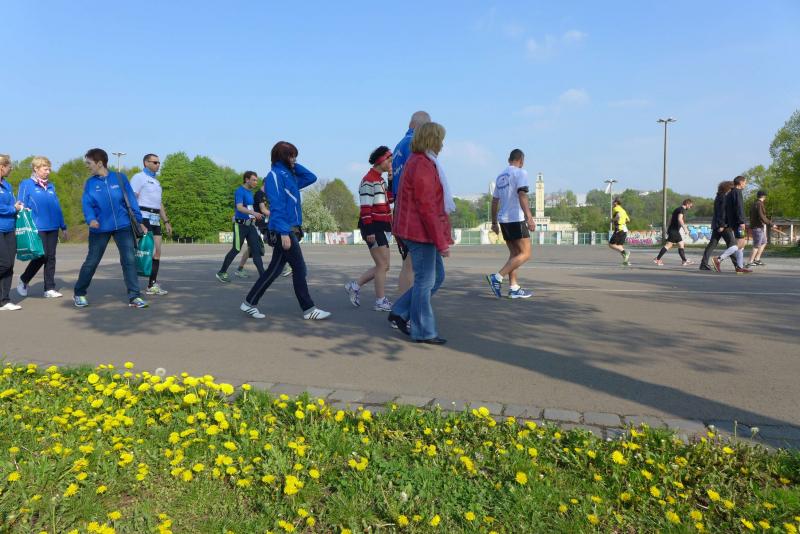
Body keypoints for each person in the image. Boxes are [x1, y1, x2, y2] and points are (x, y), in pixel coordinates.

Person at [240, 142, 330, 320]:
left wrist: (294, 165)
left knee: (274, 270)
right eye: (291, 155)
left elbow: (311, 177)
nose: (294, 159)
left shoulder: (289, 175)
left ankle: (249, 303)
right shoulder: (274, 176)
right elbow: (277, 205)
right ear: (282, 156)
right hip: (283, 229)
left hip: (288, 228)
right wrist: (283, 232)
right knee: (299, 268)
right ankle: (308, 309)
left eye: (295, 156)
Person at [388, 122, 454, 344]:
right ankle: (424, 331)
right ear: (432, 140)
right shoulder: (423, 165)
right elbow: (428, 208)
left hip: (416, 230)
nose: (442, 144)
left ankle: (400, 311)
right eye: (440, 139)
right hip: (419, 232)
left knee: (434, 277)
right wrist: (441, 241)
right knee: (426, 281)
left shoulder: (419, 161)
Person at [73, 148, 149, 308]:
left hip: (123, 226)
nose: (87, 166)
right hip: (99, 228)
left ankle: (134, 296)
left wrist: (139, 220)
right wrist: (91, 219)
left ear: (100, 163)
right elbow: (87, 203)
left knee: (129, 261)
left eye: (89, 163)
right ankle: (79, 293)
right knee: (92, 261)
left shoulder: (120, 178)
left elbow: (131, 200)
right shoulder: (90, 183)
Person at [345, 146, 394, 311]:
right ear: (380, 160)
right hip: (373, 227)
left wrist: (391, 180)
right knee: (382, 265)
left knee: (384, 265)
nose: (391, 164)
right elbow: (365, 208)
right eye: (389, 160)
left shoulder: (380, 179)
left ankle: (354, 286)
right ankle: (380, 301)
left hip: (382, 226)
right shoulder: (369, 180)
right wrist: (370, 230)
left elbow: (390, 199)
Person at [16, 156, 68, 298]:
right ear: (36, 169)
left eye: (49, 169)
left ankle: (49, 289)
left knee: (51, 257)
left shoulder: (51, 186)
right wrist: (23, 225)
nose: (48, 172)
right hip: (37, 227)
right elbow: (21, 205)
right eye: (45, 169)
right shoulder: (26, 184)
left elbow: (57, 207)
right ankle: (24, 279)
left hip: (53, 227)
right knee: (41, 256)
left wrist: (63, 226)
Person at [486, 149, 534, 299]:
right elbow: (522, 194)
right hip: (516, 218)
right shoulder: (521, 173)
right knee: (526, 254)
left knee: (514, 254)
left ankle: (514, 288)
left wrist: (494, 222)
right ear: (521, 161)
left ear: (509, 159)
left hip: (503, 220)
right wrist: (529, 217)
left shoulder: (500, 176)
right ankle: (497, 277)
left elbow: (494, 201)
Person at [391, 111, 431, 295]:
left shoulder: (399, 145)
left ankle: (404, 305)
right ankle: (404, 307)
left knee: (409, 262)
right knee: (412, 264)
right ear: (422, 126)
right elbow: (419, 179)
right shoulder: (414, 144)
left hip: (400, 206)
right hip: (411, 209)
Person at [130, 153, 172, 295]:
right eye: (155, 162)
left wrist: (166, 221)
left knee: (157, 252)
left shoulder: (157, 182)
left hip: (155, 219)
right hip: (143, 217)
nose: (158, 165)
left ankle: (151, 285)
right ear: (146, 163)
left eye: (159, 162)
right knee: (141, 251)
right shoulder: (138, 177)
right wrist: (138, 221)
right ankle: (132, 285)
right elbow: (132, 199)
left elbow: (159, 203)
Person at [215, 171, 265, 283]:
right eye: (254, 180)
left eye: (256, 180)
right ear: (247, 180)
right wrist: (254, 213)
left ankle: (263, 275)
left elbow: (249, 208)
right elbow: (239, 207)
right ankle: (221, 272)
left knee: (256, 250)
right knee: (236, 249)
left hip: (250, 225)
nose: (256, 182)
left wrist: (255, 216)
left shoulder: (250, 192)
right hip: (240, 225)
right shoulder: (239, 191)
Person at [713, 175, 752, 274]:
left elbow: (726, 210)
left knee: (741, 244)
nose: (745, 184)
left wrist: (727, 222)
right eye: (745, 182)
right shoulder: (737, 192)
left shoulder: (729, 193)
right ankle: (719, 259)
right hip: (738, 223)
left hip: (733, 223)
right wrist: (742, 221)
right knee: (740, 244)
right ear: (741, 182)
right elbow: (739, 208)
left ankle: (739, 267)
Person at [0, 154, 24, 311]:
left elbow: (11, 205)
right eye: (10, 166)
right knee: (5, 263)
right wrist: (13, 208)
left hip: (10, 229)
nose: (11, 169)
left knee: (10, 265)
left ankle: (4, 300)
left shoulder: (7, 185)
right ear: (2, 167)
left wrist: (18, 207)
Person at [234, 183, 271, 278]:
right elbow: (263, 210)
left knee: (252, 248)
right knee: (273, 243)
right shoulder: (259, 194)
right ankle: (284, 265)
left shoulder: (266, 195)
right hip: (258, 225)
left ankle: (240, 269)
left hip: (262, 224)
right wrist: (277, 215)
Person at [700, 181, 736, 271]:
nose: (733, 190)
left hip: (717, 224)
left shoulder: (719, 196)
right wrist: (722, 225)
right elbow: (722, 212)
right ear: (728, 188)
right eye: (732, 188)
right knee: (732, 244)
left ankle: (703, 264)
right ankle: (738, 265)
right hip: (723, 225)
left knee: (712, 244)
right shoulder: (724, 197)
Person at [653, 199, 694, 266]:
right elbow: (680, 219)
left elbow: (670, 219)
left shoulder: (677, 209)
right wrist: (685, 229)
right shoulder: (682, 210)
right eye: (690, 206)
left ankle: (683, 261)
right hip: (674, 231)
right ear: (687, 204)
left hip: (672, 230)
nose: (690, 208)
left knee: (674, 244)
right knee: (676, 244)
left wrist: (667, 228)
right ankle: (657, 259)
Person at [746, 190, 776, 267]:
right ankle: (750, 261)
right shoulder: (760, 204)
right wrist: (771, 224)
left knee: (764, 242)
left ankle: (757, 259)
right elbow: (762, 216)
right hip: (757, 228)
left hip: (758, 227)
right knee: (756, 245)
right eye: (765, 196)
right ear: (763, 196)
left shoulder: (754, 204)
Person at [607, 198, 631, 266]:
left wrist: (613, 220)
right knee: (619, 246)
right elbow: (628, 220)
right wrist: (622, 222)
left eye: (613, 202)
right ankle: (626, 261)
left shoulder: (616, 208)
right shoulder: (623, 210)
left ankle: (625, 252)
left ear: (616, 202)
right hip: (624, 229)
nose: (612, 203)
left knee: (611, 244)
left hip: (619, 229)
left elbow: (618, 216)